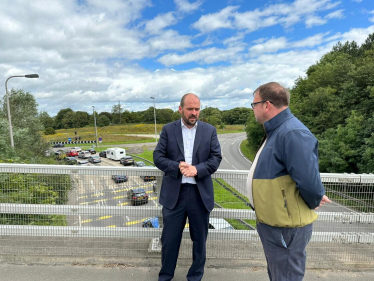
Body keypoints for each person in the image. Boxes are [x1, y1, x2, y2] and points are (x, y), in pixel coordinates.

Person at [246, 82, 331, 281]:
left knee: (286, 276)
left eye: (254, 105)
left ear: (266, 105)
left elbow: (309, 180)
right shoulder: (278, 130)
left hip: (286, 227)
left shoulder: (291, 133)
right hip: (277, 224)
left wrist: (315, 198)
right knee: (279, 274)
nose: (253, 110)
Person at [153, 93, 222, 281]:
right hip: (175, 195)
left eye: (197, 109)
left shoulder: (209, 131)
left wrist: (196, 170)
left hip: (200, 196)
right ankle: (166, 276)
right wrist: (177, 166)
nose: (194, 113)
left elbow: (216, 158)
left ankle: (195, 277)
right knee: (169, 241)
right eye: (190, 109)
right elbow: (158, 157)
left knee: (199, 241)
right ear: (180, 109)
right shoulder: (168, 129)